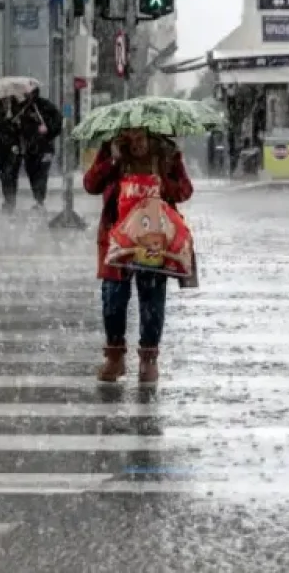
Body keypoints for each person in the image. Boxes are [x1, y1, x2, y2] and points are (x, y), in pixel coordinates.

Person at [84, 128, 193, 384]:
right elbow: (91, 185)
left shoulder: (166, 152)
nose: (136, 142)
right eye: (130, 135)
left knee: (152, 299)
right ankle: (115, 357)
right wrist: (113, 161)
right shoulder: (111, 149)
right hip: (116, 237)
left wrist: (163, 180)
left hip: (155, 239)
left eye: (140, 136)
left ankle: (148, 359)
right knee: (113, 299)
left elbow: (184, 191)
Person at [0, 89, 63, 211]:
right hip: (18, 147)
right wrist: (10, 125)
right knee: (9, 174)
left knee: (40, 173)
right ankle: (10, 201)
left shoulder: (42, 105)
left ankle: (39, 201)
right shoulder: (10, 107)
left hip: (42, 146)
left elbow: (57, 121)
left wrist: (48, 129)